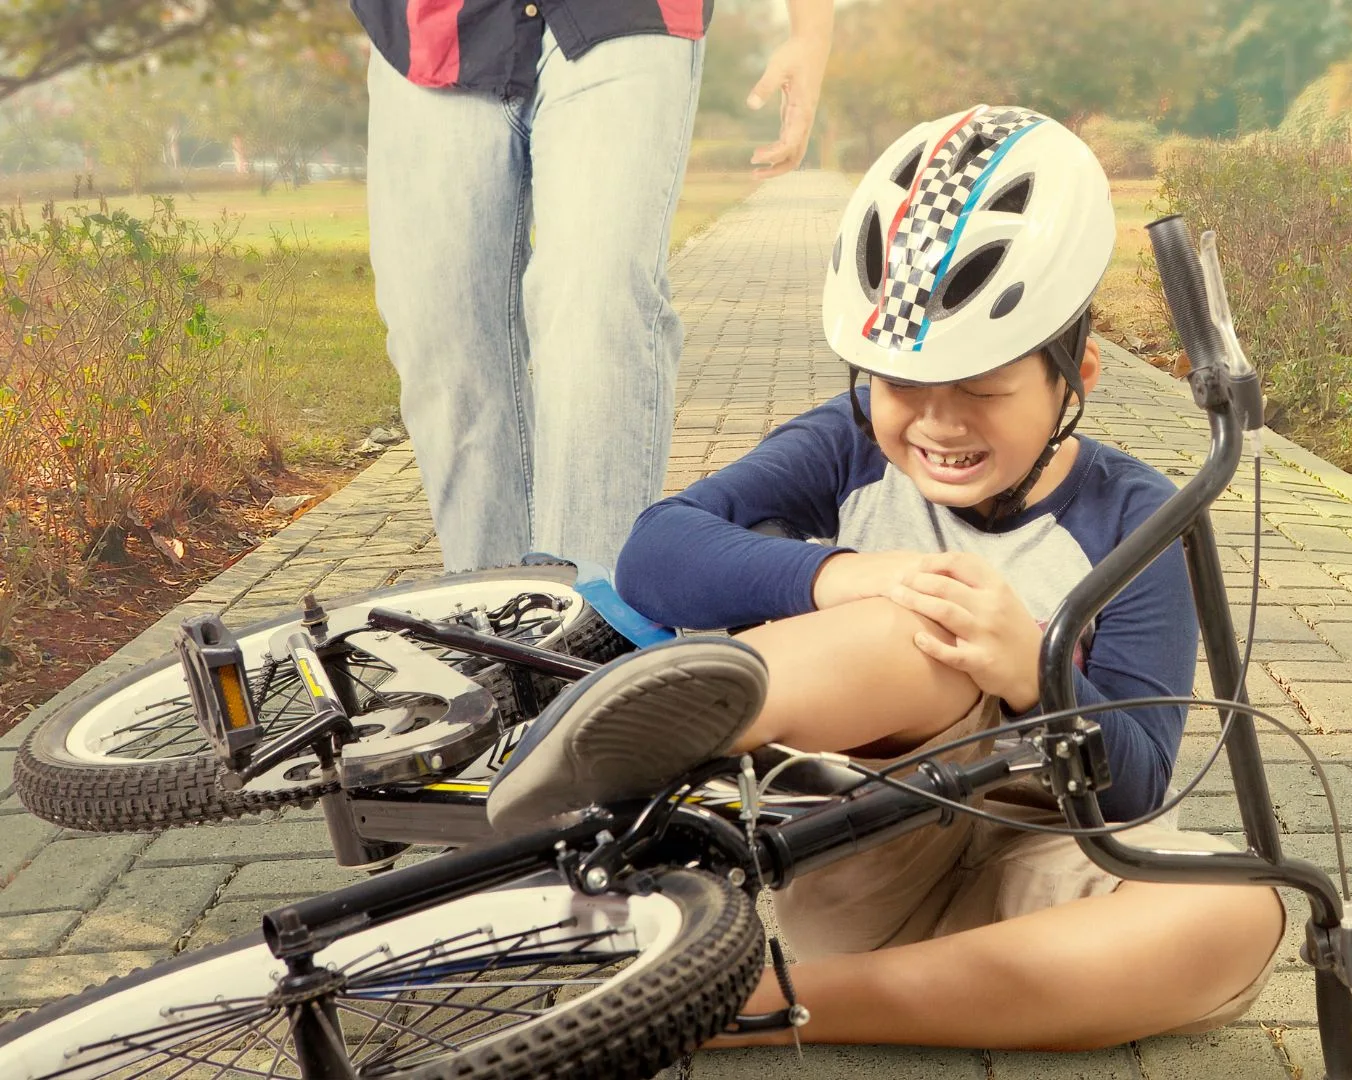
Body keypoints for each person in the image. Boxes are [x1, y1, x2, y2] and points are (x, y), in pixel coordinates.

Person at [486, 104, 1285, 1050]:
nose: (939, 426)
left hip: (1043, 864)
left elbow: (1142, 784)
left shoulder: (1138, 517)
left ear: (1080, 377)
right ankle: (601, 758)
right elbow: (660, 550)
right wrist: (843, 577)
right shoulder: (851, 444)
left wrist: (1033, 667)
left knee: (1249, 907)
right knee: (918, 627)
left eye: (984, 392)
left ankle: (743, 1003)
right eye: (903, 388)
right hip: (871, 849)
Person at [352, 0, 834, 573]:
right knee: (441, 339)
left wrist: (811, 33)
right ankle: (492, 624)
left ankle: (597, 633)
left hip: (626, 17)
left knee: (595, 305)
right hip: (425, 26)